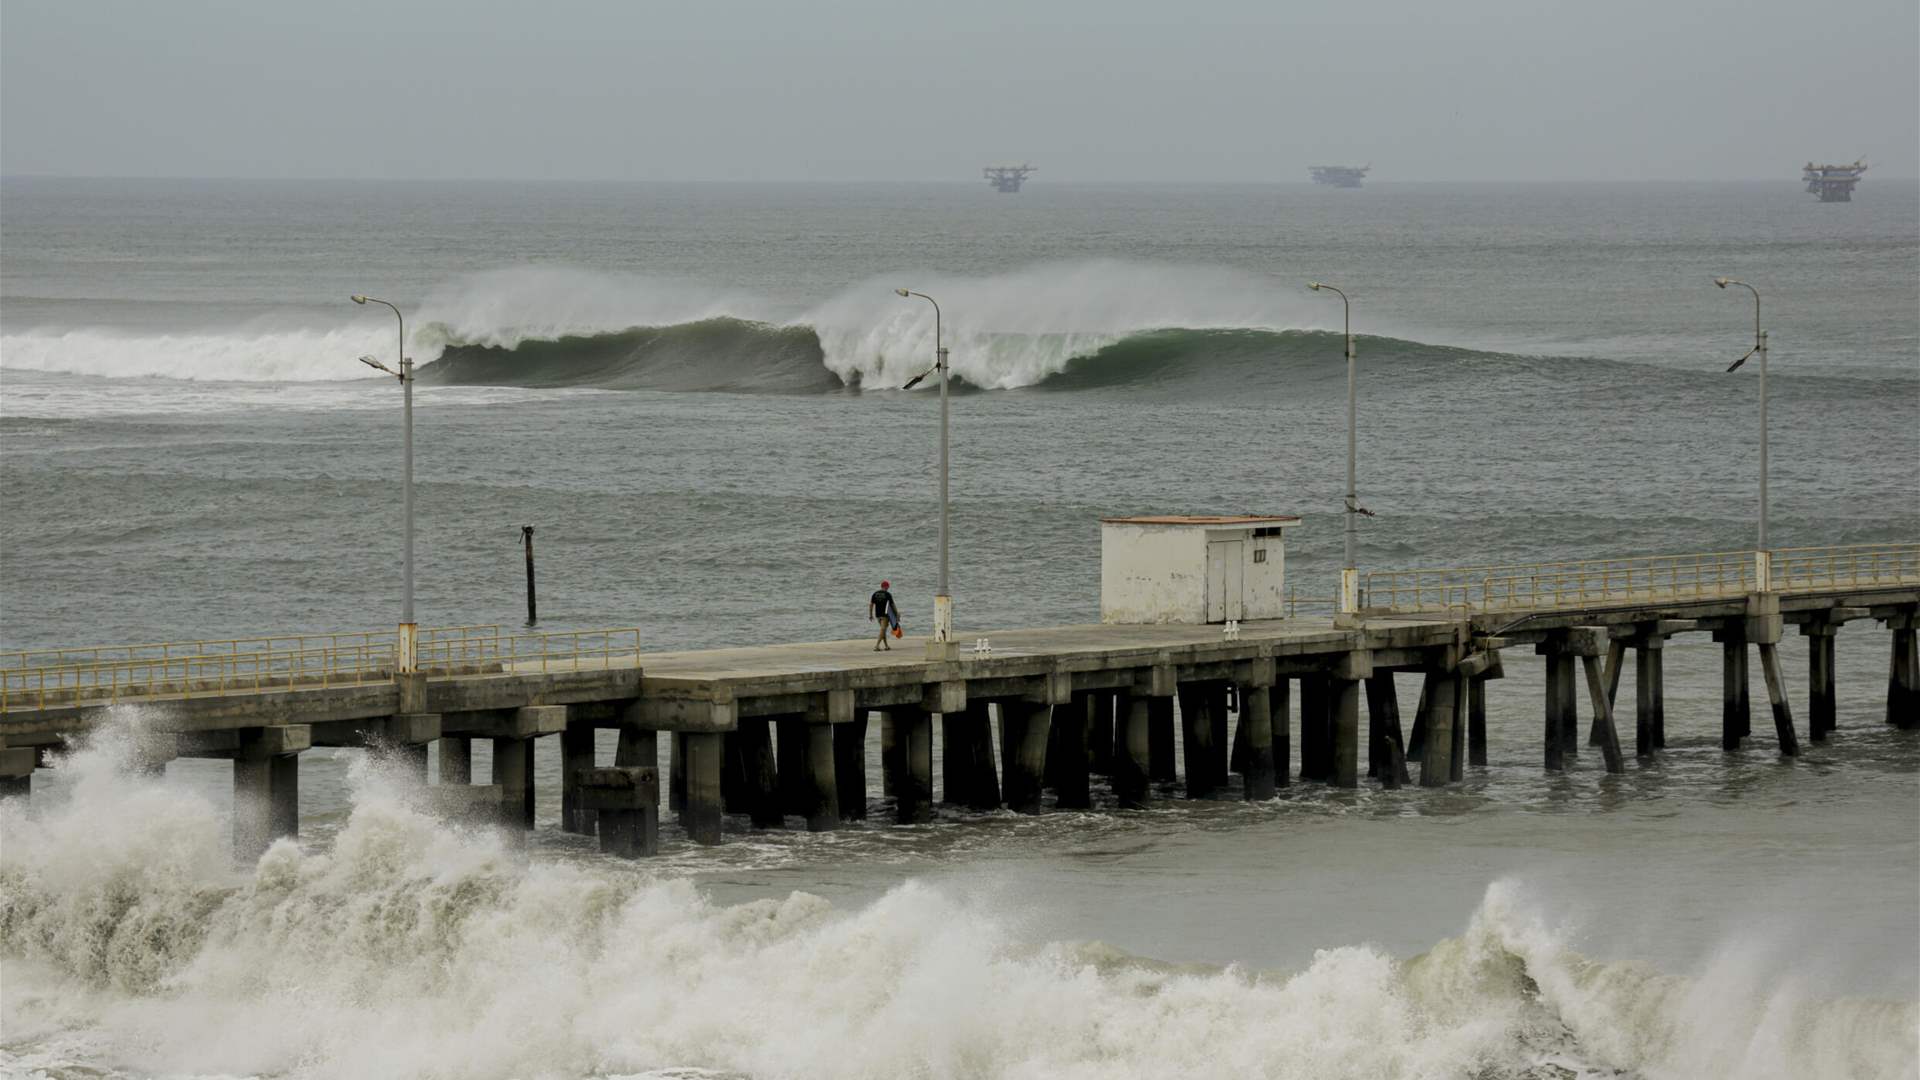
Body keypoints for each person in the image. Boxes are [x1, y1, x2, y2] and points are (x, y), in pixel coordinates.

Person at [868, 580, 898, 651]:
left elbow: (871, 605)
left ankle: (886, 646)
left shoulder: (875, 594)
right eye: (888, 587)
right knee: (883, 629)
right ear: (886, 586)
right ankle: (877, 646)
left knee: (883, 630)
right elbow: (892, 605)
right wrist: (897, 614)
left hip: (878, 615)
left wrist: (870, 615)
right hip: (885, 615)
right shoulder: (888, 594)